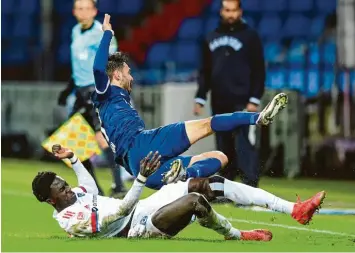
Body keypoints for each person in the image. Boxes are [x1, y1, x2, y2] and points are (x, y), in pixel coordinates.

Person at [91, 14, 288, 190]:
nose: (132, 77)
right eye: (128, 73)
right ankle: (257, 117)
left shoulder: (116, 98)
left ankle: (185, 174)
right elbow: (99, 69)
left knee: (220, 158)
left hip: (140, 167)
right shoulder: (105, 92)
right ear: (116, 75)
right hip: (142, 142)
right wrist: (107, 34)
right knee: (208, 124)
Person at [31, 144, 326, 240]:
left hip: (142, 208)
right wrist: (142, 178)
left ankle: (294, 210)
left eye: (64, 181)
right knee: (195, 201)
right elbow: (120, 212)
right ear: (49, 199)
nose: (67, 186)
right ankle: (237, 236)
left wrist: (72, 160)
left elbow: (91, 188)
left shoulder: (76, 197)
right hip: (139, 227)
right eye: (61, 186)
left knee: (210, 184)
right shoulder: (72, 219)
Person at [56, 0, 125, 197]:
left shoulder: (102, 33)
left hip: (96, 91)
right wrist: (69, 88)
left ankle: (118, 185)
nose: (83, 12)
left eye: (87, 8)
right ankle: (95, 189)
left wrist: (108, 89)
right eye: (80, 8)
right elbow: (79, 66)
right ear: (74, 11)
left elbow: (113, 62)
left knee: (102, 139)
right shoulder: (75, 31)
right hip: (79, 92)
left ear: (94, 11)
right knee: (76, 143)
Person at [194, 0, 266, 187]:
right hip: (219, 100)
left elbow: (259, 69)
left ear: (240, 11)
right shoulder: (210, 37)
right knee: (223, 145)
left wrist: (254, 98)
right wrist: (201, 97)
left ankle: (250, 186)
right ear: (221, 11)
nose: (231, 14)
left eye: (234, 10)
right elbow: (206, 70)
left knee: (244, 145)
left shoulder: (250, 36)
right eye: (227, 10)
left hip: (243, 100)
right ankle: (226, 187)